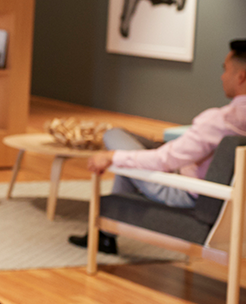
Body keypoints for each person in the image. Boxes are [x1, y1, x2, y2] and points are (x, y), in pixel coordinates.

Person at [72, 38, 246, 254]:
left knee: (114, 136)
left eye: (225, 70)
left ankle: (102, 235)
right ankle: (103, 237)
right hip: (226, 200)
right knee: (133, 153)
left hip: (183, 192)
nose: (222, 76)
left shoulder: (220, 120)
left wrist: (111, 158)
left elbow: (165, 160)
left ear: (241, 76)